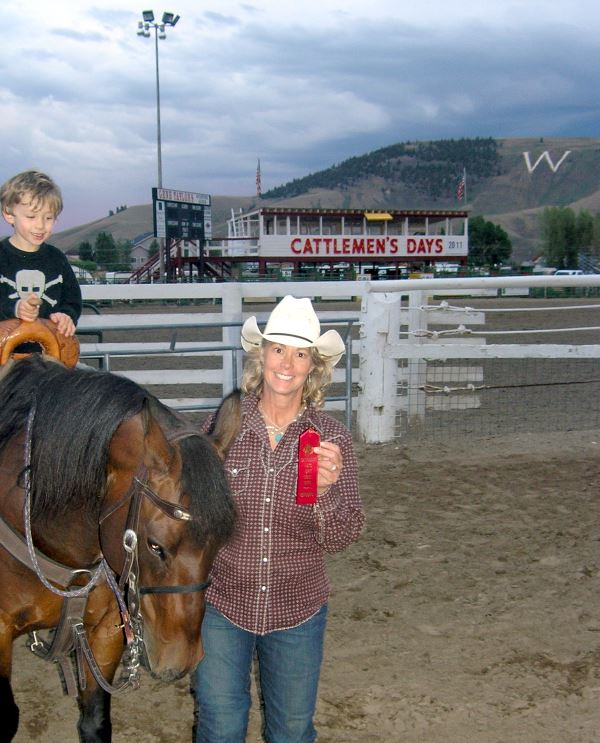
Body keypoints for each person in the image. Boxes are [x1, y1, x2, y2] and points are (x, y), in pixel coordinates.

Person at [193, 295, 365, 743]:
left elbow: (345, 533)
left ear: (314, 366)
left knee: (290, 731)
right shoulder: (225, 423)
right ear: (261, 355)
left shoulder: (331, 439)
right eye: (278, 349)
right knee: (219, 727)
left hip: (297, 609)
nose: (287, 362)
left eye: (301, 352)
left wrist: (324, 496)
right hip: (222, 604)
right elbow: (190, 513)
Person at [0, 170, 82, 336]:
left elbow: (72, 300)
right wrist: (15, 309)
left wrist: (66, 315)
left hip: (49, 355)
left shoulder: (57, 258)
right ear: (9, 215)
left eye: (49, 218)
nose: (40, 225)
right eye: (31, 216)